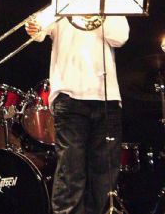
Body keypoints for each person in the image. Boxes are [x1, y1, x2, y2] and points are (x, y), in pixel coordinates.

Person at [26, 13, 129, 214]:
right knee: (70, 175)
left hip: (106, 97)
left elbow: (120, 36)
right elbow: (38, 30)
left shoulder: (109, 3)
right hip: (69, 97)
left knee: (103, 180)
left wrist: (98, 11)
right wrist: (34, 28)